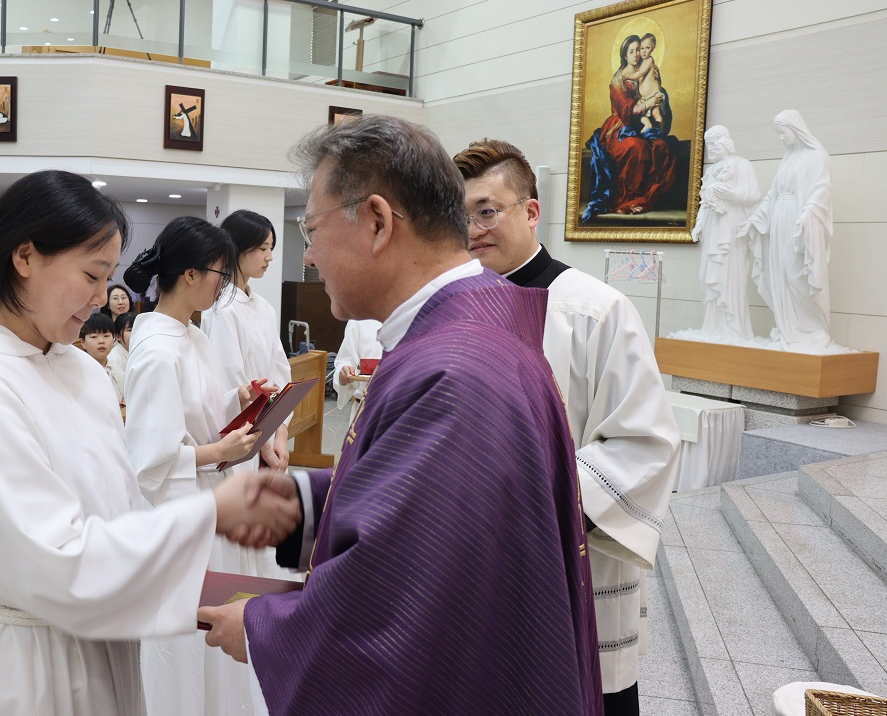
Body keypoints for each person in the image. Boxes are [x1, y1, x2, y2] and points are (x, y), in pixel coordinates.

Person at [200, 115, 603, 715]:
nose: (308, 257)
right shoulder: (462, 330)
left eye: (311, 229)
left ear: (378, 222)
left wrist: (263, 629)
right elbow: (426, 506)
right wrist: (299, 502)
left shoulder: (454, 371)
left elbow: (397, 602)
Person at [0, 170, 300, 716]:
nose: (102, 297)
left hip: (101, 643)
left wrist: (208, 584)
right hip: (17, 665)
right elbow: (54, 566)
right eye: (92, 274)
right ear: (25, 257)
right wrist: (210, 514)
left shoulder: (79, 370)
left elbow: (121, 507)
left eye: (110, 277)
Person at [454, 137, 680, 716]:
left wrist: (533, 506)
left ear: (530, 211)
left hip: (565, 557)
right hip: (474, 558)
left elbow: (643, 441)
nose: (473, 229)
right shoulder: (452, 310)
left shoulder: (593, 309)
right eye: (461, 216)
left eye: (487, 211)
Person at [124, 216, 273, 716]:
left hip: (210, 499)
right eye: (219, 274)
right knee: (184, 649)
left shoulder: (192, 336)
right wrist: (218, 452)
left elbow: (200, 414)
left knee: (216, 638)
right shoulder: (156, 350)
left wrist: (240, 398)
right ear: (190, 274)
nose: (223, 286)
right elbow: (151, 462)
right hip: (180, 510)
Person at [742, 110, 841, 353]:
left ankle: (815, 328)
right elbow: (772, 194)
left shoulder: (817, 155)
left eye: (783, 132)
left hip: (801, 220)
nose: (781, 138)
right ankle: (789, 328)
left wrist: (807, 214)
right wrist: (755, 218)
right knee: (780, 273)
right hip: (779, 221)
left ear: (796, 129)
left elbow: (823, 189)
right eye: (778, 133)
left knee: (798, 273)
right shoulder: (787, 158)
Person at [202, 209, 292, 472]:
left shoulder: (264, 307)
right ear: (237, 248)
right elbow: (231, 383)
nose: (269, 257)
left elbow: (280, 371)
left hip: (269, 433)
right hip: (242, 438)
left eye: (271, 248)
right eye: (263, 248)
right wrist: (265, 445)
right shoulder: (221, 309)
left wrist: (282, 433)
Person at [581, 34, 678, 223]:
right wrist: (648, 103)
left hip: (642, 124)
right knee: (634, 147)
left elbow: (655, 91)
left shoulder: (647, 69)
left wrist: (657, 94)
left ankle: (644, 200)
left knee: (662, 147)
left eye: (638, 50)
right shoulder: (618, 81)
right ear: (625, 55)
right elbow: (627, 110)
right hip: (620, 127)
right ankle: (626, 201)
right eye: (631, 51)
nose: (636, 55)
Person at [690, 125, 760, 343]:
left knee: (729, 274)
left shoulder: (741, 164)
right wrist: (698, 224)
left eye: (713, 144)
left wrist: (730, 194)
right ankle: (712, 326)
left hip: (731, 225)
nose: (710, 149)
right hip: (713, 225)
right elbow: (704, 202)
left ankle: (732, 327)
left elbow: (753, 195)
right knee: (708, 275)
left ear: (725, 142)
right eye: (708, 145)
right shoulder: (710, 171)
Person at [331, 319, 381, 417]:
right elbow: (346, 360)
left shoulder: (412, 317)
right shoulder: (359, 318)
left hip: (405, 408)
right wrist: (344, 371)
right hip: (364, 409)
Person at [79, 312, 124, 404]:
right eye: (94, 337)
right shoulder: (79, 373)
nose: (101, 341)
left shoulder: (117, 370)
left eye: (106, 336)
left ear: (114, 339)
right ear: (83, 342)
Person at [629, 34, 665, 133]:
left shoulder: (650, 60)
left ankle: (661, 134)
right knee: (637, 113)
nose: (644, 51)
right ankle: (647, 124)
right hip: (643, 98)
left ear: (653, 48)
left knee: (656, 114)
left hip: (654, 95)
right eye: (642, 48)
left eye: (647, 48)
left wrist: (629, 76)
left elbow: (640, 74)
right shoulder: (640, 62)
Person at [108, 311, 136, 376]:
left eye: (137, 328)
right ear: (118, 336)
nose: (135, 332)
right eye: (130, 330)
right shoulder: (114, 358)